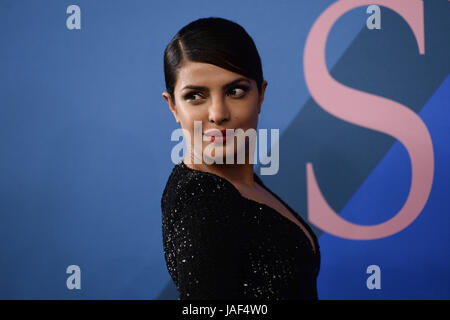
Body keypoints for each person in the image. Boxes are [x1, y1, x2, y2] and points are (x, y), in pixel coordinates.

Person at [160, 17, 320, 300]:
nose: (218, 113)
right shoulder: (203, 199)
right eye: (195, 96)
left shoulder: (238, 184)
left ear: (260, 95)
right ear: (172, 105)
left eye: (235, 91)